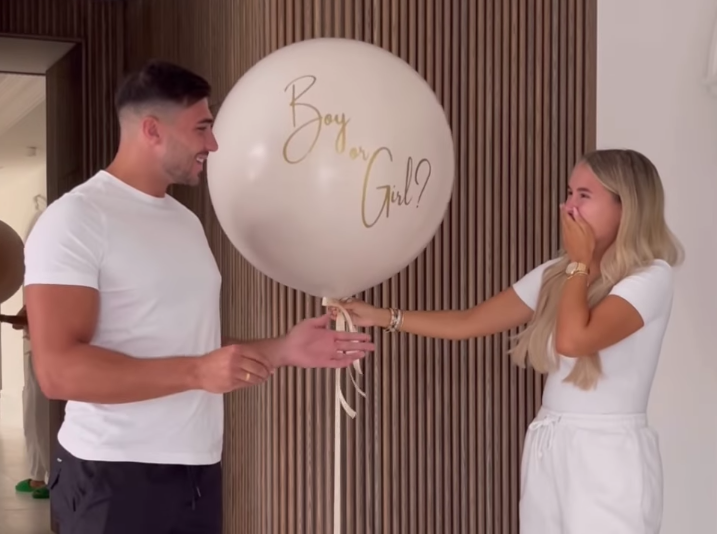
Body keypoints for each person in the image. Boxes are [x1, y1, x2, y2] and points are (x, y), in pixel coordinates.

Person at [22, 60, 375, 534]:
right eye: (202, 128)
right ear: (152, 130)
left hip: (195, 471)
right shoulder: (76, 221)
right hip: (112, 475)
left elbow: (189, 340)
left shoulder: (185, 222)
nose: (212, 143)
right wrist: (197, 373)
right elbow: (58, 371)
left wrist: (282, 349)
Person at [336, 149, 683, 534]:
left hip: (609, 454)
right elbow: (470, 322)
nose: (567, 206)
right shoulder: (559, 274)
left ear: (628, 205)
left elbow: (573, 340)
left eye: (584, 195)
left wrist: (579, 262)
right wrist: (384, 317)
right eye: (569, 193)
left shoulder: (652, 278)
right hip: (548, 443)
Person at [0, 306, 51, 499]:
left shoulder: (54, 285)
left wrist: (4, 317)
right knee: (32, 418)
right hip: (36, 353)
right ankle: (37, 476)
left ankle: (53, 479)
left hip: (49, 354)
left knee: (43, 419)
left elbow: (32, 320)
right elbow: (19, 323)